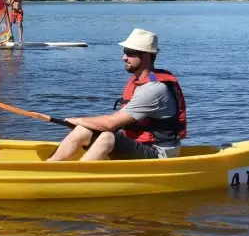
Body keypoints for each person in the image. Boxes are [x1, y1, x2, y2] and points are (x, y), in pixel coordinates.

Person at [46, 28, 186, 162]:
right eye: (125, 51)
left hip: (159, 153)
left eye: (130, 53)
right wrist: (82, 124)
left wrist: (76, 120)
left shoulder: (153, 89)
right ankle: (51, 166)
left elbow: (110, 124)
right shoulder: (138, 82)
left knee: (107, 137)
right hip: (140, 145)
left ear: (147, 56)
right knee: (83, 130)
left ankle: (77, 177)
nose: (124, 57)